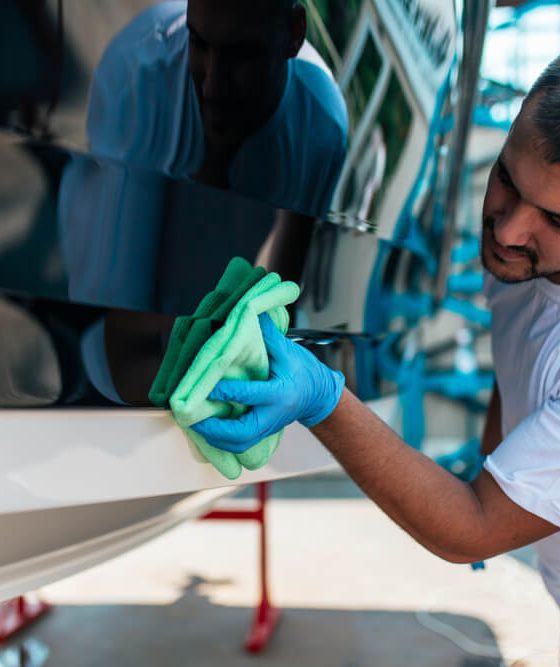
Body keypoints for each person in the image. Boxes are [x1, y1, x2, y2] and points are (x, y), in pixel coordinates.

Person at [193, 56, 560, 615]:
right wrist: (496, 462)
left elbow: (473, 527)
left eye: (556, 221)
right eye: (507, 179)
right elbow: (517, 365)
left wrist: (324, 398)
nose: (509, 230)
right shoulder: (521, 264)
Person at [86, 0, 348, 217]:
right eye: (198, 42)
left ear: (294, 34)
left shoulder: (323, 135)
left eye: (241, 55)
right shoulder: (131, 83)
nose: (212, 87)